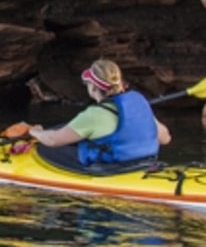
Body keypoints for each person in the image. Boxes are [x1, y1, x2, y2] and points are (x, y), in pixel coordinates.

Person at [20, 59, 171, 173]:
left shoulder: (93, 115)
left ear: (92, 87)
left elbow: (53, 140)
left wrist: (35, 132)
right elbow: (165, 138)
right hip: (145, 163)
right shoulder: (138, 105)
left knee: (44, 148)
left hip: (112, 170)